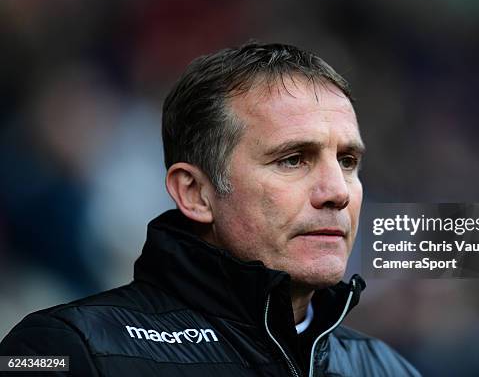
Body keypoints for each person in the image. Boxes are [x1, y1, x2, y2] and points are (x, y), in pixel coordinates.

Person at [0, 42, 420, 376]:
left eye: (347, 161)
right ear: (195, 193)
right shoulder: (65, 351)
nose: (337, 192)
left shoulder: (387, 368)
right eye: (293, 159)